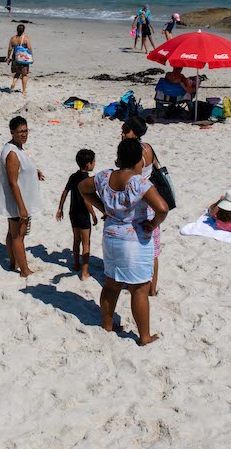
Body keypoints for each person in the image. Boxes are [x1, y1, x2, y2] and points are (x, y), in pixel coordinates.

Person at [78, 138, 168, 346]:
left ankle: (107, 324)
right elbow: (162, 208)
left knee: (111, 283)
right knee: (139, 289)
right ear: (139, 161)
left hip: (111, 236)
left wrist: (103, 208)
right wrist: (153, 224)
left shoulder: (104, 176)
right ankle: (144, 337)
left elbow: (83, 188)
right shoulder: (140, 183)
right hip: (134, 241)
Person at [0, 116, 44, 278]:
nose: (24, 134)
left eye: (26, 130)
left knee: (12, 233)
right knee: (18, 235)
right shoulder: (12, 154)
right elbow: (13, 182)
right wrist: (22, 207)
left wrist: (34, 172)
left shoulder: (17, 148)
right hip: (17, 201)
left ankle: (13, 262)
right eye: (20, 132)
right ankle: (24, 270)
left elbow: (19, 170)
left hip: (19, 199)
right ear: (12, 132)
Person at [121, 117, 163, 295]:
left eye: (125, 131)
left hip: (140, 203)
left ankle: (135, 283)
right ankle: (153, 288)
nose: (122, 134)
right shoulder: (148, 148)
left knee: (135, 245)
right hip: (152, 198)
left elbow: (132, 179)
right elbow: (156, 167)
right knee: (153, 247)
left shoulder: (135, 153)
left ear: (135, 132)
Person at [56, 149, 97, 280]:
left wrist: (60, 208)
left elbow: (65, 192)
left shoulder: (73, 176)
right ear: (88, 165)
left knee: (76, 240)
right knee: (86, 243)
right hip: (83, 214)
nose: (94, 163)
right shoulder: (88, 180)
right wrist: (94, 214)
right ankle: (84, 273)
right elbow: (87, 200)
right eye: (93, 161)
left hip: (72, 212)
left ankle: (76, 265)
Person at [6, 24, 33, 95]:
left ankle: (13, 83)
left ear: (17, 30)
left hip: (15, 58)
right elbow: (29, 48)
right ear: (23, 30)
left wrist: (8, 58)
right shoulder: (26, 38)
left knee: (17, 73)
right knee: (24, 75)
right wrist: (31, 56)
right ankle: (23, 91)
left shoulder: (13, 38)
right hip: (23, 58)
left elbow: (9, 49)